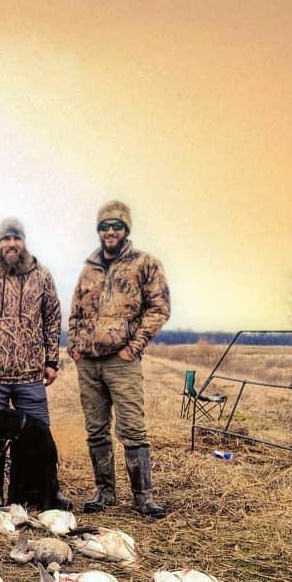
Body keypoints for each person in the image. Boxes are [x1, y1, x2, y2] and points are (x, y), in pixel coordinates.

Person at [67, 199, 171, 518]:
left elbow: (159, 309)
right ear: (98, 230)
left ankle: (143, 496)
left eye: (116, 226)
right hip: (89, 363)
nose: (110, 231)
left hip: (121, 361)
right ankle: (105, 492)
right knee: (96, 429)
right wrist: (75, 346)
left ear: (126, 229)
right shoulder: (89, 268)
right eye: (104, 226)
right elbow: (75, 311)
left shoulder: (145, 264)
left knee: (132, 429)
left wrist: (134, 347)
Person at [0, 217, 64, 510]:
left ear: (24, 242)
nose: (11, 244)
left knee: (41, 435)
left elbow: (52, 318)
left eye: (16, 238)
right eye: (5, 239)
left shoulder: (42, 276)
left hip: (30, 374)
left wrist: (51, 360)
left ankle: (48, 489)